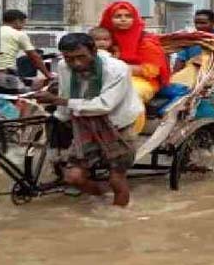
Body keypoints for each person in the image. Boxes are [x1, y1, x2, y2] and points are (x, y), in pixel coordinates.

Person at [33, 33, 144, 207]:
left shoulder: (116, 69)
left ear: (93, 51)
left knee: (117, 177)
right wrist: (59, 118)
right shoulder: (64, 67)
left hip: (117, 124)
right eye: (70, 58)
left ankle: (119, 217)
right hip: (83, 123)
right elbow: (65, 92)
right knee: (73, 177)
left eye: (81, 57)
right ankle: (102, 195)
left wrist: (59, 101)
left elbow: (104, 105)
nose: (76, 63)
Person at [99, 0, 170, 113]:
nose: (123, 19)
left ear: (135, 18)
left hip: (143, 81)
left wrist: (117, 67)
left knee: (129, 96)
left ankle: (131, 130)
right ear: (109, 19)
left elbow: (152, 70)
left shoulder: (146, 40)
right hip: (108, 79)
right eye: (118, 16)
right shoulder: (102, 38)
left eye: (128, 16)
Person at [0, 9, 52, 92]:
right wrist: (48, 75)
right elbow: (34, 57)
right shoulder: (18, 34)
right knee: (26, 96)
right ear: (17, 21)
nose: (23, 26)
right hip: (6, 74)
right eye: (23, 23)